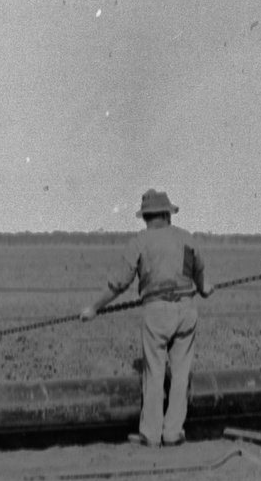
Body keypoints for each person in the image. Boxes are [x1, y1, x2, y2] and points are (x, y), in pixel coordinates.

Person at [83, 189, 212, 447]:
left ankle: (151, 434)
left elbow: (118, 283)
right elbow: (202, 279)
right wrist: (205, 287)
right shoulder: (187, 238)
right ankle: (173, 432)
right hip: (186, 310)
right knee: (180, 373)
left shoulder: (139, 242)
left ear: (145, 217)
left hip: (156, 312)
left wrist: (94, 307)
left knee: (153, 371)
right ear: (167, 214)